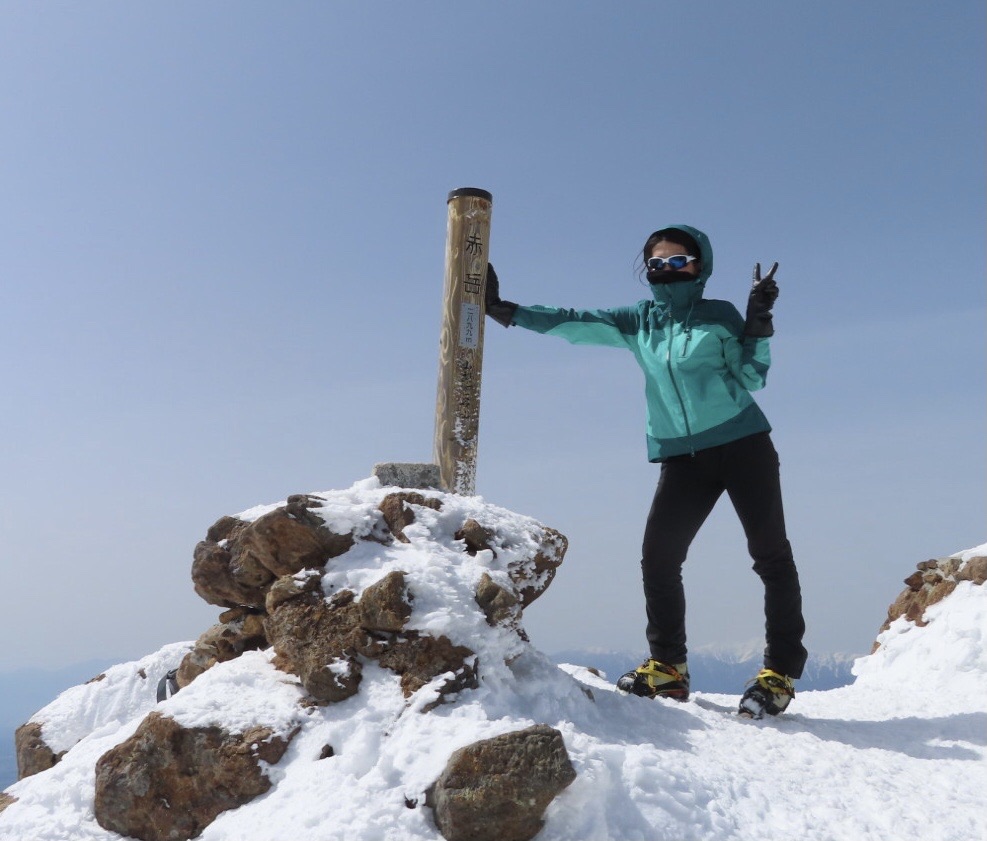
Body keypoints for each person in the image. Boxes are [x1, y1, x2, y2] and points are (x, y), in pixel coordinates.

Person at [484, 224, 807, 718]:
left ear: (699, 265)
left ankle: (779, 672)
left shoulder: (719, 315)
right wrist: (505, 310)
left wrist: (758, 324)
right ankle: (669, 668)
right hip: (682, 456)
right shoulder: (639, 321)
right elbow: (573, 321)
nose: (667, 270)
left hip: (743, 444)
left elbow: (751, 376)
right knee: (658, 559)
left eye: (678, 261)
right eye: (657, 263)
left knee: (770, 556)